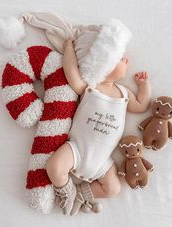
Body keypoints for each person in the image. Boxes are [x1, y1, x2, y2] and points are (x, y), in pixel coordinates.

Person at [46, 39, 152, 215]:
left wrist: (144, 86)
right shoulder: (90, 87)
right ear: (105, 65)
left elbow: (141, 105)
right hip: (77, 149)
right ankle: (66, 191)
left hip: (102, 161)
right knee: (54, 167)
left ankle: (80, 194)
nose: (126, 60)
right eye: (121, 58)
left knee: (113, 189)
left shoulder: (124, 93)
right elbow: (71, 71)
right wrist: (68, 48)